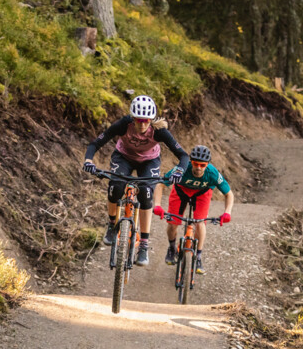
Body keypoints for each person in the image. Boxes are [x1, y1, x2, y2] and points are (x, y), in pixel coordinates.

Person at [82, 95, 190, 266]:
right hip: (123, 157)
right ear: (132, 118)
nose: (142, 125)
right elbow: (95, 144)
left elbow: (183, 156)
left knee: (146, 193)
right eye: (138, 121)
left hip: (149, 161)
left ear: (151, 119)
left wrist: (179, 171)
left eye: (146, 121)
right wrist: (88, 161)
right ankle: (111, 225)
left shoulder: (159, 131)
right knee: (116, 185)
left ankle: (144, 245)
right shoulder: (124, 124)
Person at [152, 145, 234, 274]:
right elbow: (161, 184)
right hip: (181, 191)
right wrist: (157, 205)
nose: (198, 168)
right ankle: (172, 247)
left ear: (207, 164)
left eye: (202, 165)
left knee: (200, 223)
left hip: (202, 194)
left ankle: (199, 256)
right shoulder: (182, 168)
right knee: (173, 222)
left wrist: (227, 212)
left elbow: (228, 194)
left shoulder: (212, 173)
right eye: (195, 164)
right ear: (191, 161)